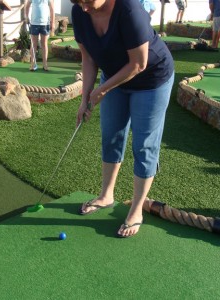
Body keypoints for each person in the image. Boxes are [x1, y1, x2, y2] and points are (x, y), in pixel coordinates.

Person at [71, 0, 174, 238]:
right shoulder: (80, 12)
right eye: (77, 1)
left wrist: (102, 90)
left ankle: (136, 210)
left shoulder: (129, 9)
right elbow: (88, 58)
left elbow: (139, 63)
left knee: (144, 144)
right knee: (111, 135)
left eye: (87, 0)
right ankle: (106, 195)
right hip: (114, 77)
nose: (84, 7)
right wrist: (85, 97)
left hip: (151, 80)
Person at [25, 0, 55, 71]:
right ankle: (32, 64)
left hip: (45, 23)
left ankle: (45, 64)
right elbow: (27, 6)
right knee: (33, 44)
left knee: (44, 44)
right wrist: (26, 17)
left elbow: (52, 9)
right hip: (34, 23)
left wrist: (52, 22)